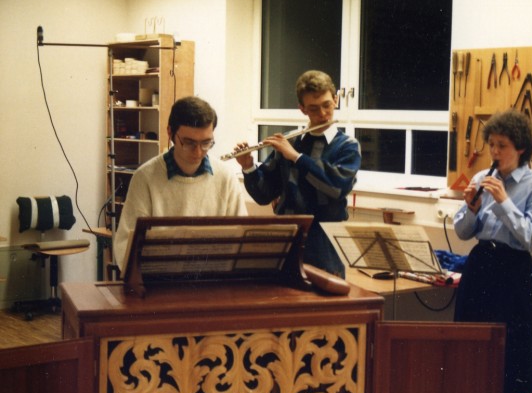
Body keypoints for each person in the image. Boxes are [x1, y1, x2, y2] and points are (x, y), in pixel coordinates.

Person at [453, 109, 532, 393]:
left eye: (503, 145)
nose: (495, 152)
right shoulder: (481, 178)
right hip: (481, 266)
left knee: (515, 353)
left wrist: (505, 202)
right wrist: (471, 209)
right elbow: (462, 232)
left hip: (514, 271)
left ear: (521, 148)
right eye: (492, 145)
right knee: (471, 345)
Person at [234, 70, 361, 278]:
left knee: (323, 297)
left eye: (327, 105)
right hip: (287, 240)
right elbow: (264, 195)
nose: (323, 114)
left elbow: (337, 187)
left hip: (325, 244)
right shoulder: (289, 142)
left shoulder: (347, 146)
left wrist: (296, 157)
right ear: (302, 109)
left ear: (336, 100)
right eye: (313, 108)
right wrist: (248, 167)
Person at [113, 96, 247, 269]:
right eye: (189, 143)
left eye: (206, 143)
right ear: (170, 133)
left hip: (212, 277)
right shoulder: (145, 178)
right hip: (160, 279)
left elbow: (241, 238)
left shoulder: (226, 177)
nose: (198, 152)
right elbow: (126, 245)